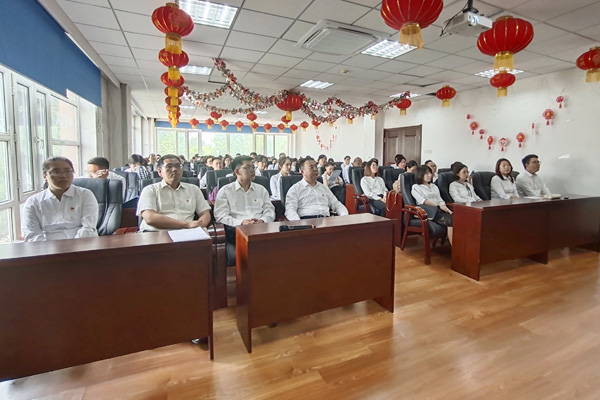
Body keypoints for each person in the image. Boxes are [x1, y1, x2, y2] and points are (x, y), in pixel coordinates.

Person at [22, 156, 99, 242]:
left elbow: (88, 228)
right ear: (45, 176)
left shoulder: (85, 195)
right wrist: (49, 249)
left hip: (83, 245)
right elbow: (32, 234)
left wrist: (73, 247)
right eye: (56, 172)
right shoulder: (33, 202)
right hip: (47, 248)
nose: (63, 176)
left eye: (67, 171)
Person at [137, 154, 211, 232]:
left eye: (178, 166)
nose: (174, 169)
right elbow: (150, 218)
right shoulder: (150, 190)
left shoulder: (194, 189)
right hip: (156, 232)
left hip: (187, 232)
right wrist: (186, 225)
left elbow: (205, 213)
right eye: (169, 166)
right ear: (160, 171)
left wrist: (199, 225)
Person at [214, 155, 275, 247]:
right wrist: (241, 222)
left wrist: (262, 221)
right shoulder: (225, 191)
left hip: (261, 230)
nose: (252, 170)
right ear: (237, 171)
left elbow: (269, 210)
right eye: (248, 168)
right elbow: (220, 215)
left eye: (253, 167)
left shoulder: (261, 189)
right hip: (237, 231)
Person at [412, 165, 453, 241]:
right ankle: (455, 247)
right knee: (451, 221)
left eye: (430, 173)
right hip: (427, 211)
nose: (430, 175)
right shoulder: (416, 187)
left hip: (439, 210)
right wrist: (438, 206)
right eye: (426, 173)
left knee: (458, 219)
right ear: (420, 174)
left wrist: (445, 207)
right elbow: (423, 201)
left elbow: (440, 199)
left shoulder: (434, 186)